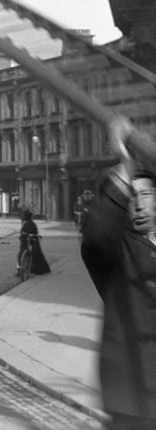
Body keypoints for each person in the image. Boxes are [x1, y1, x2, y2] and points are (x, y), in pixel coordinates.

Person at [80, 163, 156, 427]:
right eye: (130, 196)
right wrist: (124, 172)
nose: (138, 204)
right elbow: (96, 233)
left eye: (145, 194)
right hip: (131, 397)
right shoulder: (113, 250)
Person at [17, 209, 50, 275]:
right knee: (32, 252)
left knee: (22, 253)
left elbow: (23, 234)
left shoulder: (27, 224)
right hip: (30, 241)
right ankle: (24, 268)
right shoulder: (32, 224)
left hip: (28, 242)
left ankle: (20, 269)